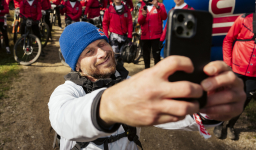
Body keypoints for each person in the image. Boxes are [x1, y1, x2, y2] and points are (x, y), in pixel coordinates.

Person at [49, 22, 246, 150]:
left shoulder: (127, 83)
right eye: (89, 51)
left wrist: (207, 107)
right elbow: (65, 119)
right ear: (76, 65)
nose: (102, 53)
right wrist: (112, 104)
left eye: (102, 44)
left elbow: (171, 112)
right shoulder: (67, 91)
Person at [218, 12, 256, 140]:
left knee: (244, 101)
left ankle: (231, 125)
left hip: (254, 73)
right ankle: (220, 123)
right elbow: (228, 40)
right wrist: (228, 63)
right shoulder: (244, 19)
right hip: (237, 67)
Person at [137, 0, 167, 69]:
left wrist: (157, 6)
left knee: (156, 57)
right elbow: (140, 22)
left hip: (156, 37)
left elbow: (164, 17)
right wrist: (143, 15)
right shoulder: (142, 8)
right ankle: (147, 74)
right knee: (146, 58)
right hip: (145, 37)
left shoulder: (160, 5)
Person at [102, 0, 133, 64]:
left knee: (123, 57)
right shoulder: (109, 9)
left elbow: (129, 22)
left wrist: (129, 35)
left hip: (124, 37)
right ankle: (115, 74)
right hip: (114, 37)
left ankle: (122, 74)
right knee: (114, 58)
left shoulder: (126, 9)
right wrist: (106, 36)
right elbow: (105, 23)